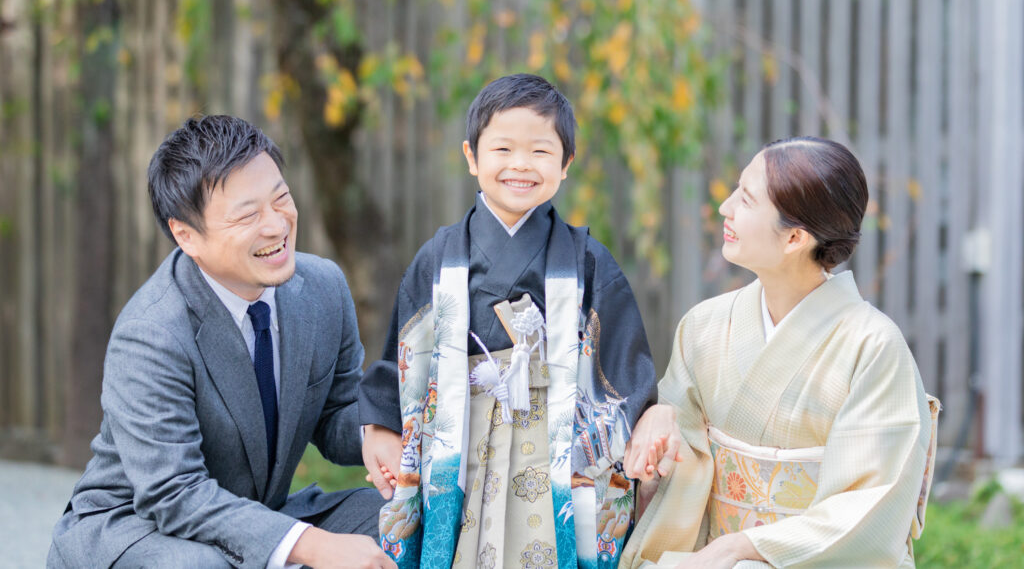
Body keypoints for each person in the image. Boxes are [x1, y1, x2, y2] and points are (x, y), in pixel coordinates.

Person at [48, 115, 395, 569]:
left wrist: (379, 428)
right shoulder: (152, 333)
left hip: (254, 511)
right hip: (137, 526)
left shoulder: (324, 287)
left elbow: (335, 414)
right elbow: (173, 494)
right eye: (248, 215)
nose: (276, 225)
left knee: (399, 523)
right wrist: (310, 544)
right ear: (186, 235)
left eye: (282, 198)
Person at [358, 74, 657, 568]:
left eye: (540, 152)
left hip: (555, 442)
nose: (520, 165)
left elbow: (622, 366)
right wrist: (382, 425)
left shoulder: (587, 260)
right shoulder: (439, 257)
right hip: (461, 435)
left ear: (566, 165)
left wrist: (643, 418)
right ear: (472, 157)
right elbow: (403, 355)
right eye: (502, 149)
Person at [620, 137, 938, 568]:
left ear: (794, 238)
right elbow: (682, 461)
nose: (725, 207)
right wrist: (660, 428)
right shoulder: (705, 326)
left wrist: (740, 548)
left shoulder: (873, 347)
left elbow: (869, 509)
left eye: (746, 200)